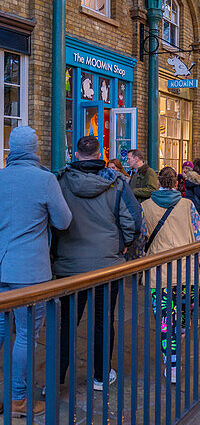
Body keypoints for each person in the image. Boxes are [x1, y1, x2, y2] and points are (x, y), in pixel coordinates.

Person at [57, 136, 142, 391]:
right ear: (98, 153)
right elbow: (134, 220)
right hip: (106, 264)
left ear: (76, 154)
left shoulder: (60, 181)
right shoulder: (117, 184)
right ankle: (100, 376)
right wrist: (123, 244)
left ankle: (57, 378)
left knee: (66, 323)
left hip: (69, 265)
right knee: (103, 321)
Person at [0, 127, 71, 416]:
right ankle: (17, 398)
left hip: (2, 266)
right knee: (26, 334)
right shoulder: (45, 180)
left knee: (3, 329)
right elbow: (64, 221)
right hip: (30, 271)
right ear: (34, 148)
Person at [142, 167, 200, 383]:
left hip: (158, 273)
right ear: (176, 183)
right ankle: (177, 340)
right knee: (182, 318)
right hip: (186, 272)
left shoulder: (145, 207)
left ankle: (171, 363)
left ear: (158, 182)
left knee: (164, 321)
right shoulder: (187, 205)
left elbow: (141, 238)